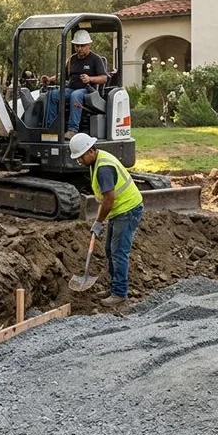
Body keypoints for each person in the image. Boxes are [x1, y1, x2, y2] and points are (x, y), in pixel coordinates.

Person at [70, 132, 144, 307]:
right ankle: (114, 287)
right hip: (118, 211)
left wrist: (98, 222)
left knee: (119, 252)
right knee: (110, 250)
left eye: (80, 157)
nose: (79, 161)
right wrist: (99, 220)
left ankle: (119, 293)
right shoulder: (95, 162)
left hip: (127, 210)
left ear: (90, 151)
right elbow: (104, 199)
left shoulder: (103, 169)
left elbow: (109, 199)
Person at [42, 30, 108, 139]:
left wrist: (89, 78)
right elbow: (63, 76)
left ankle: (72, 130)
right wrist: (50, 79)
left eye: (82, 46)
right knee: (52, 94)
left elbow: (104, 78)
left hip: (88, 91)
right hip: (71, 89)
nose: (79, 49)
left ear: (88, 45)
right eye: (77, 46)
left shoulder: (96, 59)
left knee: (76, 95)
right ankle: (51, 127)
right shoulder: (71, 60)